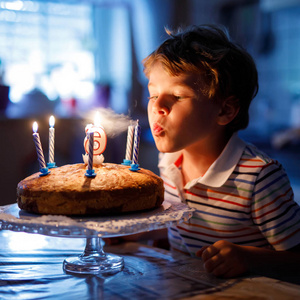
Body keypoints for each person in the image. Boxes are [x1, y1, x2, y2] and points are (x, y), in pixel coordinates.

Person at [109, 25, 300, 279]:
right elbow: (186, 229)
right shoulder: (169, 161)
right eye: (153, 94)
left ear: (224, 111)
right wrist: (140, 233)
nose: (158, 106)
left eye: (176, 96)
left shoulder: (258, 177)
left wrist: (247, 258)